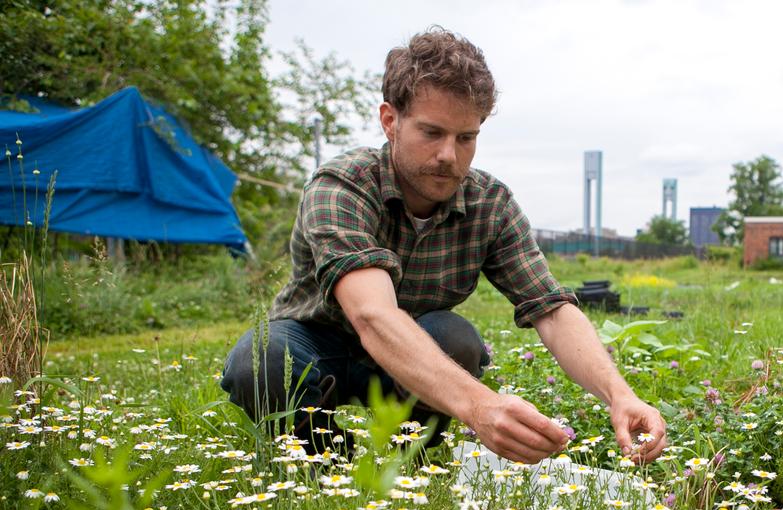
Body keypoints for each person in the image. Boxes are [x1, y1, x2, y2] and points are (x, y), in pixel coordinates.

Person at [221, 27, 666, 466]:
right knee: (259, 358)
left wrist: (619, 394)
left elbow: (550, 307)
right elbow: (372, 316)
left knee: (456, 337)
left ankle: (408, 457)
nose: (449, 156)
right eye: (432, 133)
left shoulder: (489, 204)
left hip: (416, 358)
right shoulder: (343, 186)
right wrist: (481, 406)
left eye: (466, 138)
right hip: (319, 342)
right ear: (390, 121)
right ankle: (321, 463)